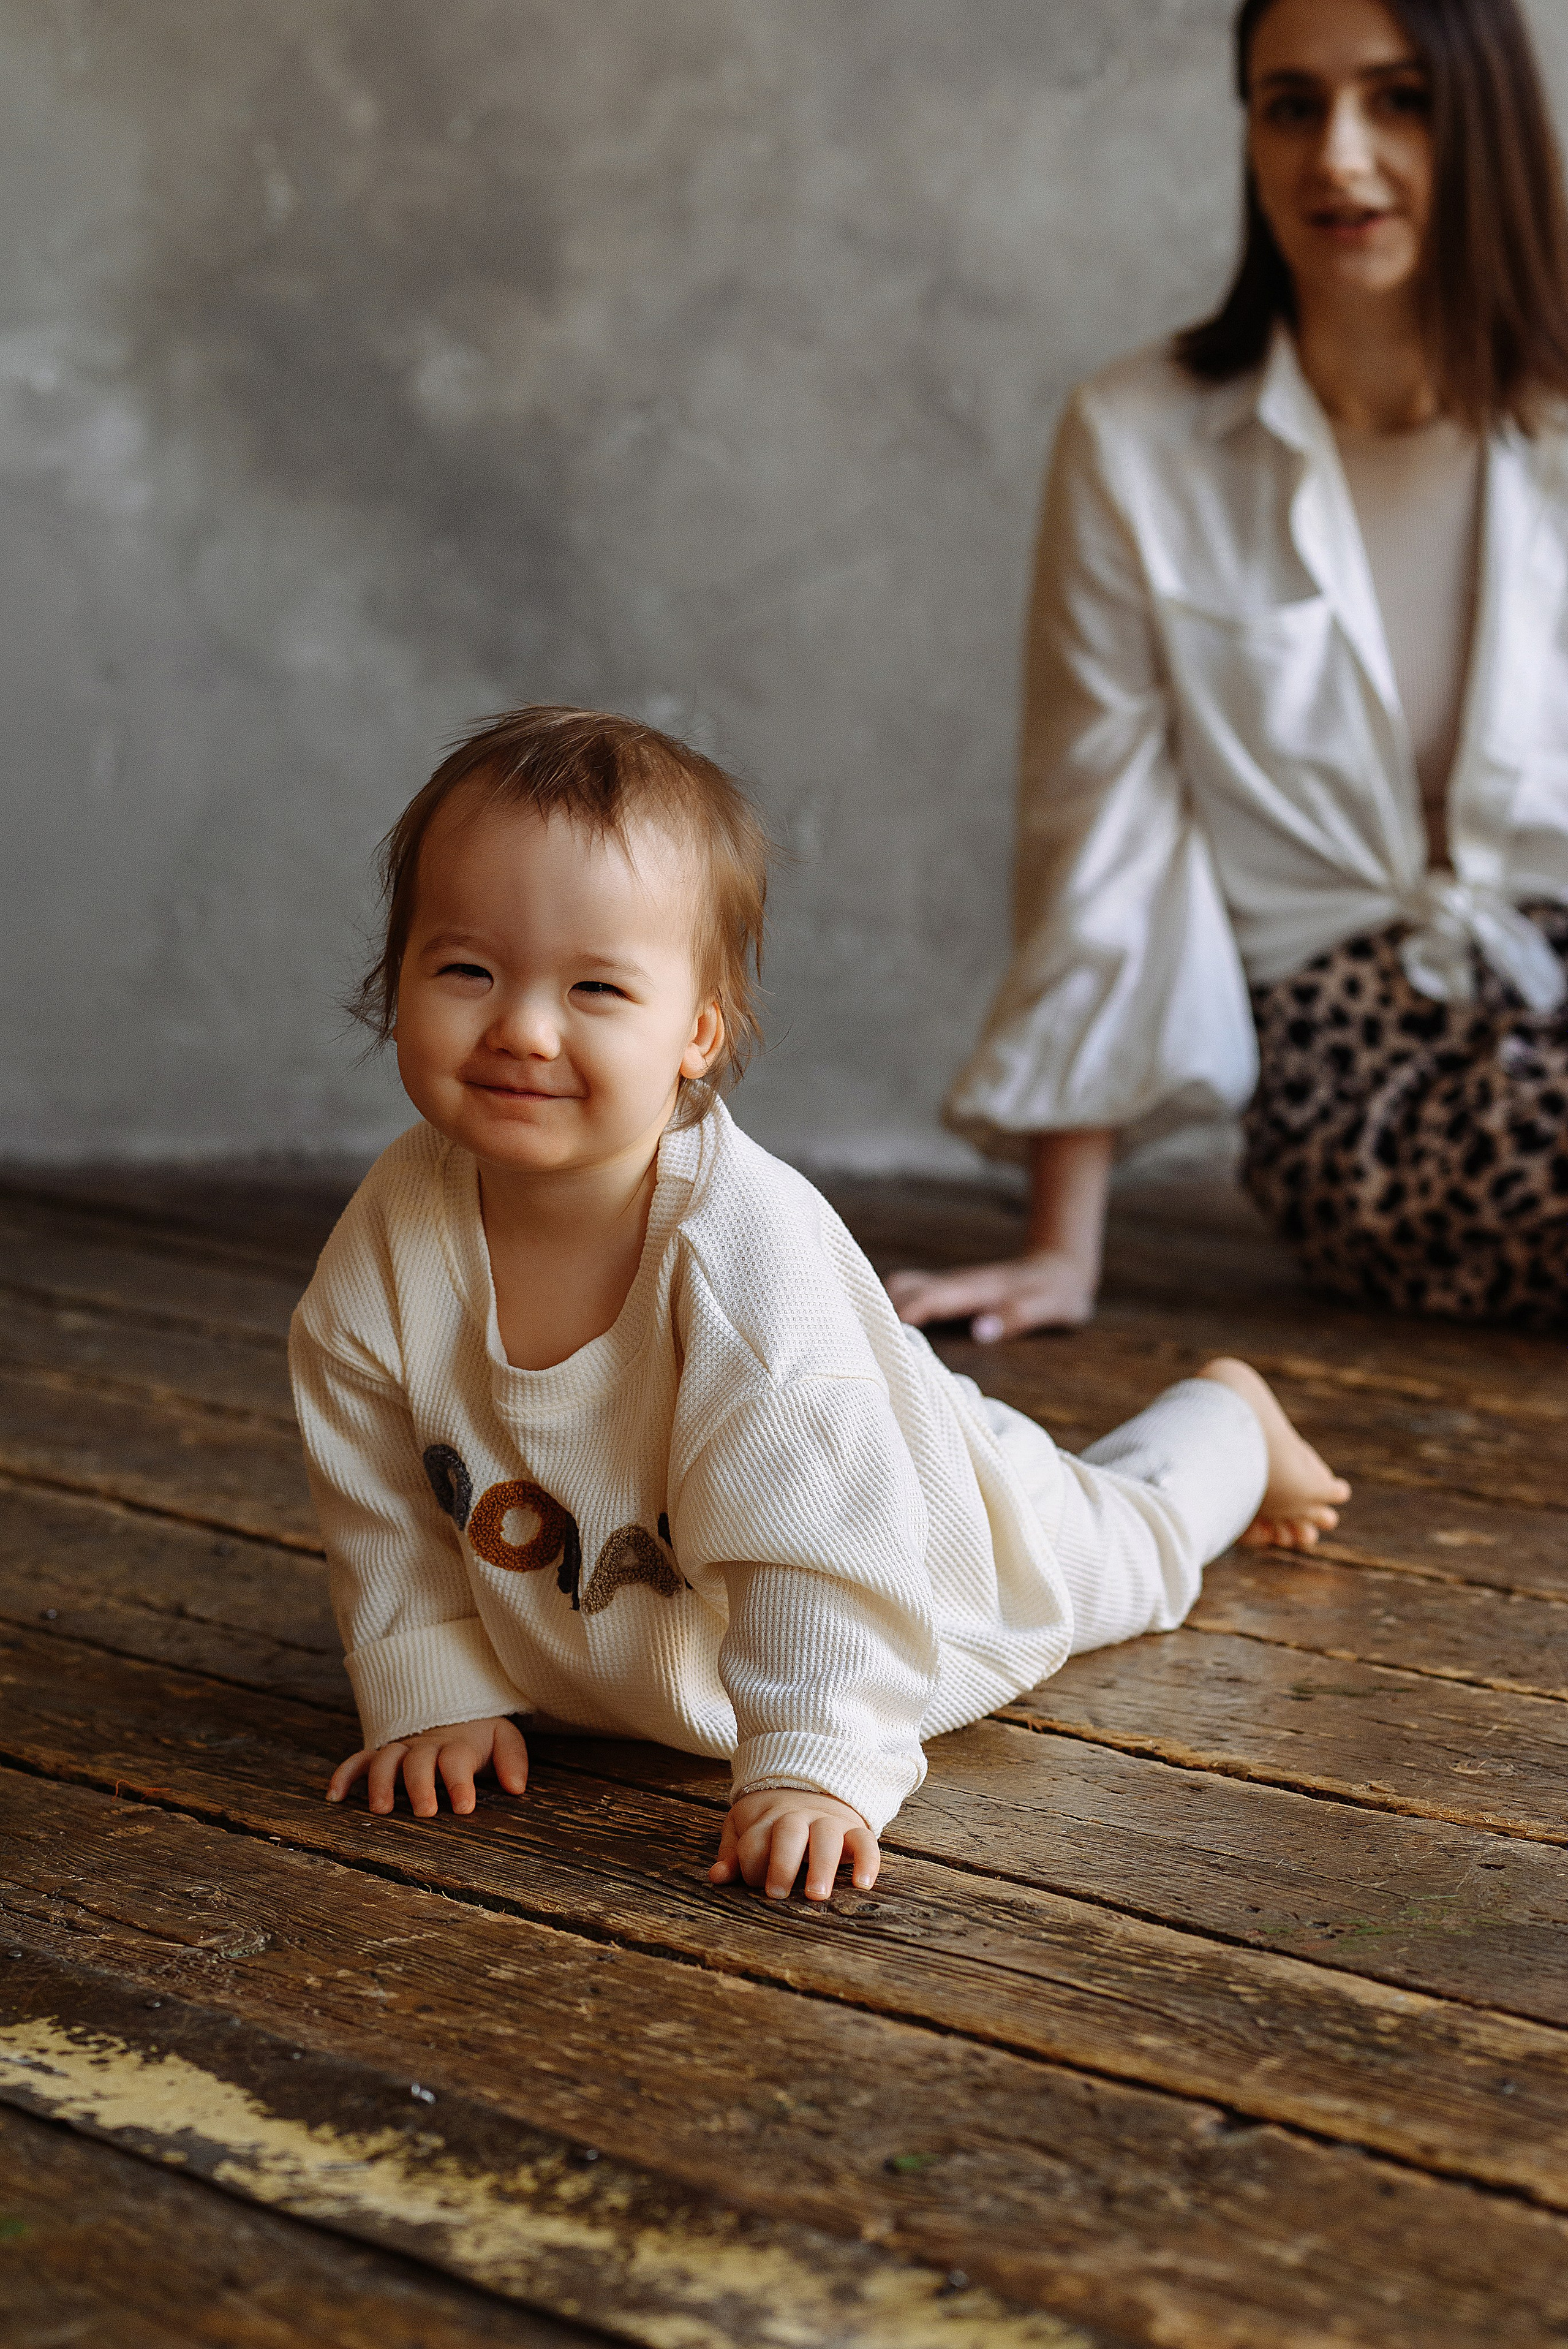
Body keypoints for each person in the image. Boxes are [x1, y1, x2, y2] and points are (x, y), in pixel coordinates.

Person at [288, 706, 1348, 1904]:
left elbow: (825, 1542)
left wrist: (812, 1763)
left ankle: (1226, 1424)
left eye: (594, 987)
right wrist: (433, 1682)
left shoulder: (742, 1262)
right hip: (651, 1618)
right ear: (398, 971)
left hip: (924, 1530)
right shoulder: (392, 1235)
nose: (522, 1027)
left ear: (696, 1032)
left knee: (1132, 1548)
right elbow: (379, 1484)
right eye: (466, 968)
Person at [890, 0, 1568, 1344]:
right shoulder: (1139, 442)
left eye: (1398, 100)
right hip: (1358, 1080)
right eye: (1290, 104)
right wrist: (1058, 1247)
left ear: (1480, 116)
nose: (1339, 159)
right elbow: (1101, 831)